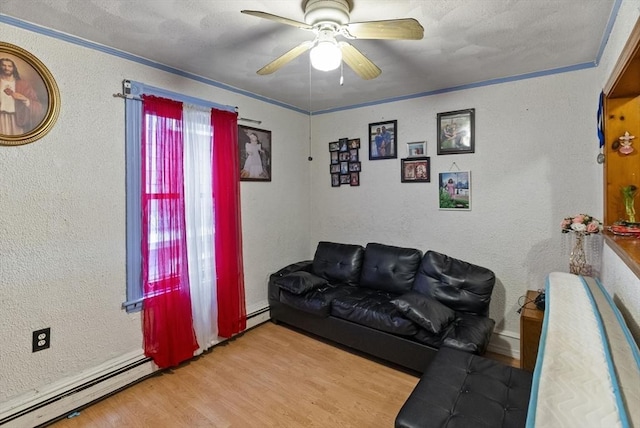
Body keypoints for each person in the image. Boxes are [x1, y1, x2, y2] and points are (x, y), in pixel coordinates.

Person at [0, 58, 44, 135]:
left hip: (18, 118)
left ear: (13, 68)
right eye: (3, 65)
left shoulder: (23, 85)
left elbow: (38, 105)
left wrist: (25, 99)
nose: (6, 68)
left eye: (9, 66)